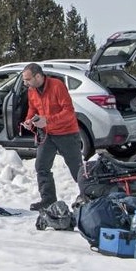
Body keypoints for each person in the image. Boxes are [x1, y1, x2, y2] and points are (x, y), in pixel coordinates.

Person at [21, 62, 83, 211]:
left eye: (27, 79)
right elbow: (33, 108)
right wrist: (29, 121)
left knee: (77, 169)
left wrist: (47, 120)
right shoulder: (32, 90)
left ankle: (88, 195)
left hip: (66, 133)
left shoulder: (57, 85)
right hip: (47, 134)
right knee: (41, 166)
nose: (25, 83)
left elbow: (68, 111)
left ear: (38, 76)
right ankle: (48, 199)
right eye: (24, 80)